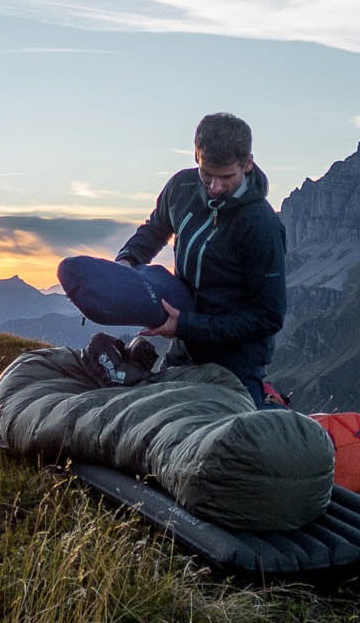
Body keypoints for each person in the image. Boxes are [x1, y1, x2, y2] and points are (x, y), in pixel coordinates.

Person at [113, 112, 287, 405]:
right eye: (207, 174)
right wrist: (128, 261)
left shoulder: (262, 225)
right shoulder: (181, 187)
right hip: (184, 349)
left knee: (227, 447)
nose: (215, 187)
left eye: (227, 177)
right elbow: (156, 229)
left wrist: (188, 325)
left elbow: (268, 317)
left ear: (247, 164)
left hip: (236, 363)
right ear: (196, 156)